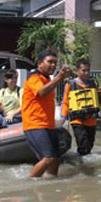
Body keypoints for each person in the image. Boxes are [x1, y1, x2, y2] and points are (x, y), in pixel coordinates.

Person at [22, 49, 71, 178]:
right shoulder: (34, 77)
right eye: (50, 62)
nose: (53, 65)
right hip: (35, 125)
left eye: (55, 62)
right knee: (48, 158)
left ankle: (50, 185)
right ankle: (29, 184)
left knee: (56, 159)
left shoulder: (46, 79)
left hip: (48, 125)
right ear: (40, 64)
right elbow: (41, 92)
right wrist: (59, 77)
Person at [60, 59, 101, 156]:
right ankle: (83, 168)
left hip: (91, 120)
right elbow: (65, 102)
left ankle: (84, 166)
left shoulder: (93, 84)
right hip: (77, 120)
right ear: (77, 70)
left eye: (88, 70)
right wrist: (63, 117)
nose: (86, 73)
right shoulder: (70, 84)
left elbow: (99, 102)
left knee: (89, 147)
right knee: (83, 146)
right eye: (84, 70)